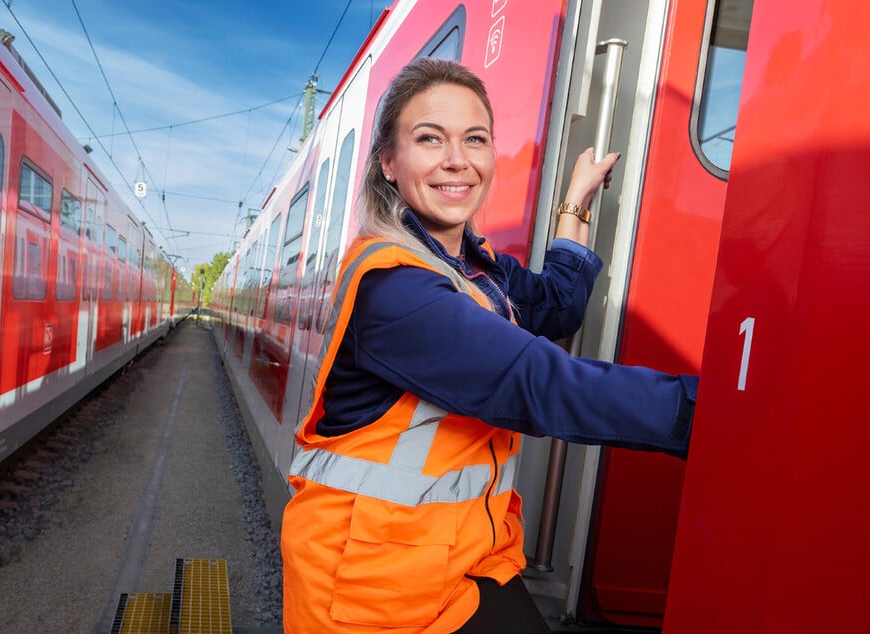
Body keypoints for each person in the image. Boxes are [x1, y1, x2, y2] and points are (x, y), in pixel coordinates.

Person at [281, 57, 698, 633]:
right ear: (388, 163)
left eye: (475, 140)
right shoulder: (394, 288)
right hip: (373, 592)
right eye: (430, 139)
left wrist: (574, 201)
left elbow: (557, 303)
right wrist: (713, 413)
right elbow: (537, 381)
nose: (458, 159)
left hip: (460, 564)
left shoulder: (471, 269)